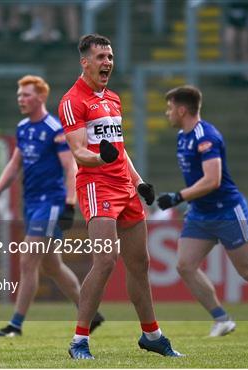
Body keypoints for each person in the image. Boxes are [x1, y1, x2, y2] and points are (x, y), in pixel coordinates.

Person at [58, 34, 182, 359]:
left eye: (110, 57)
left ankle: (151, 335)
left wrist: (139, 182)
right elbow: (80, 153)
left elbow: (119, 148)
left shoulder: (112, 98)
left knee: (140, 263)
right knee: (105, 261)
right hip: (97, 187)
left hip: (124, 189)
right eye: (100, 57)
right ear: (84, 62)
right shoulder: (73, 101)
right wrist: (103, 158)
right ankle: (79, 341)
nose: (107, 63)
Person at [157, 85, 248, 337]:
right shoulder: (183, 136)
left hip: (227, 211)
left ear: (182, 110)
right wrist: (189, 202)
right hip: (201, 212)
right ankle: (221, 318)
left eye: (170, 108)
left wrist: (178, 197)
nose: (167, 113)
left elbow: (213, 180)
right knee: (184, 266)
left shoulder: (206, 137)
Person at [0, 75, 104, 337]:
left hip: (50, 203)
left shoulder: (54, 129)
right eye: (19, 95)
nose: (21, 99)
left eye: (26, 95)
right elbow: (16, 163)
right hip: (32, 203)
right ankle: (90, 313)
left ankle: (15, 325)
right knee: (51, 266)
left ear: (40, 97)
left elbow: (70, 167)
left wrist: (70, 204)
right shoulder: (24, 127)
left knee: (27, 260)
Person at [222, 0, 248, 84]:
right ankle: (233, 73)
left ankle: (247, 75)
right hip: (231, 17)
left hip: (245, 16)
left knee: (245, 45)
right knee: (229, 42)